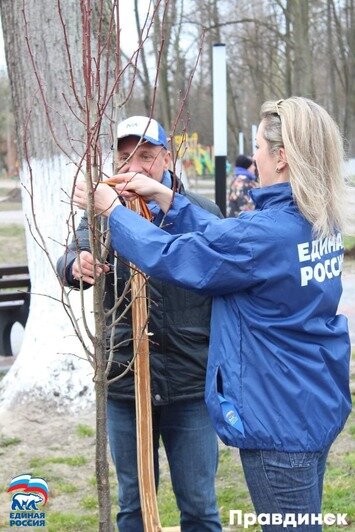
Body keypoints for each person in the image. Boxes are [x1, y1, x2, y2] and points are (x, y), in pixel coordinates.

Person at [73, 97, 352, 531]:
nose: (254, 156)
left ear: (281, 157)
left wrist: (111, 211)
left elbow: (169, 255)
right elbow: (230, 238)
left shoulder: (266, 233)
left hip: (277, 413)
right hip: (311, 399)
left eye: (259, 146)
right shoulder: (317, 218)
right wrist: (168, 197)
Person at [57, 116, 223, 532]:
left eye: (146, 156)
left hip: (189, 383)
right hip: (125, 383)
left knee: (200, 506)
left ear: (167, 158)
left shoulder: (199, 211)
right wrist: (76, 265)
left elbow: (221, 265)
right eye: (125, 155)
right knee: (132, 505)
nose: (134, 166)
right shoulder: (102, 211)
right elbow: (72, 254)